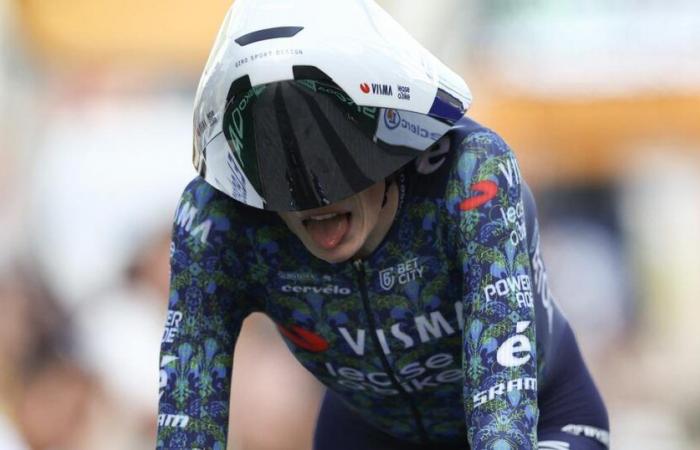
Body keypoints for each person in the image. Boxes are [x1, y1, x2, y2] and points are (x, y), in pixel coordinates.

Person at [156, 0, 610, 449]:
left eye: (334, 155)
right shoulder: (219, 221)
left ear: (384, 138)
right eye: (276, 166)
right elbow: (188, 414)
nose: (313, 193)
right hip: (366, 432)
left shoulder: (470, 174)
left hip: (540, 419)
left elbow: (503, 417)